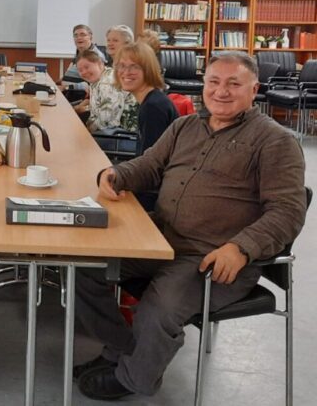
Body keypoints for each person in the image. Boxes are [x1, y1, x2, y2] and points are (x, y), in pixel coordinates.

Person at [74, 52, 306, 401]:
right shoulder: (185, 126)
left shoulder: (275, 141)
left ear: (254, 88)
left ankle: (133, 379)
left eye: (233, 83)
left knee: (159, 308)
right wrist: (116, 175)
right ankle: (128, 351)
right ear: (204, 85)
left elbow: (288, 211)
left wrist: (242, 248)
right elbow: (150, 165)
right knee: (79, 265)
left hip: (213, 258)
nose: (221, 91)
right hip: (159, 241)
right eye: (214, 82)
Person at [114, 42, 178, 156]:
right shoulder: (152, 100)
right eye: (122, 65)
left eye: (134, 66)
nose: (126, 72)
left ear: (148, 70)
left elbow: (151, 163)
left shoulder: (153, 107)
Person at [73, 50, 137, 132]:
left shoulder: (107, 83)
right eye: (80, 70)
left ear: (100, 64)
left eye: (87, 67)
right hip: (112, 130)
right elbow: (100, 107)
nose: (84, 72)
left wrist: (87, 130)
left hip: (123, 135)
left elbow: (107, 120)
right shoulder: (99, 79)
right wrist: (84, 108)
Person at [59, 24, 107, 91]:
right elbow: (70, 73)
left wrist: (65, 88)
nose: (79, 37)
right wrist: (57, 83)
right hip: (67, 91)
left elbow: (92, 84)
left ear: (90, 37)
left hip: (79, 95)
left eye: (82, 35)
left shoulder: (96, 55)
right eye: (76, 35)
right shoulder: (81, 52)